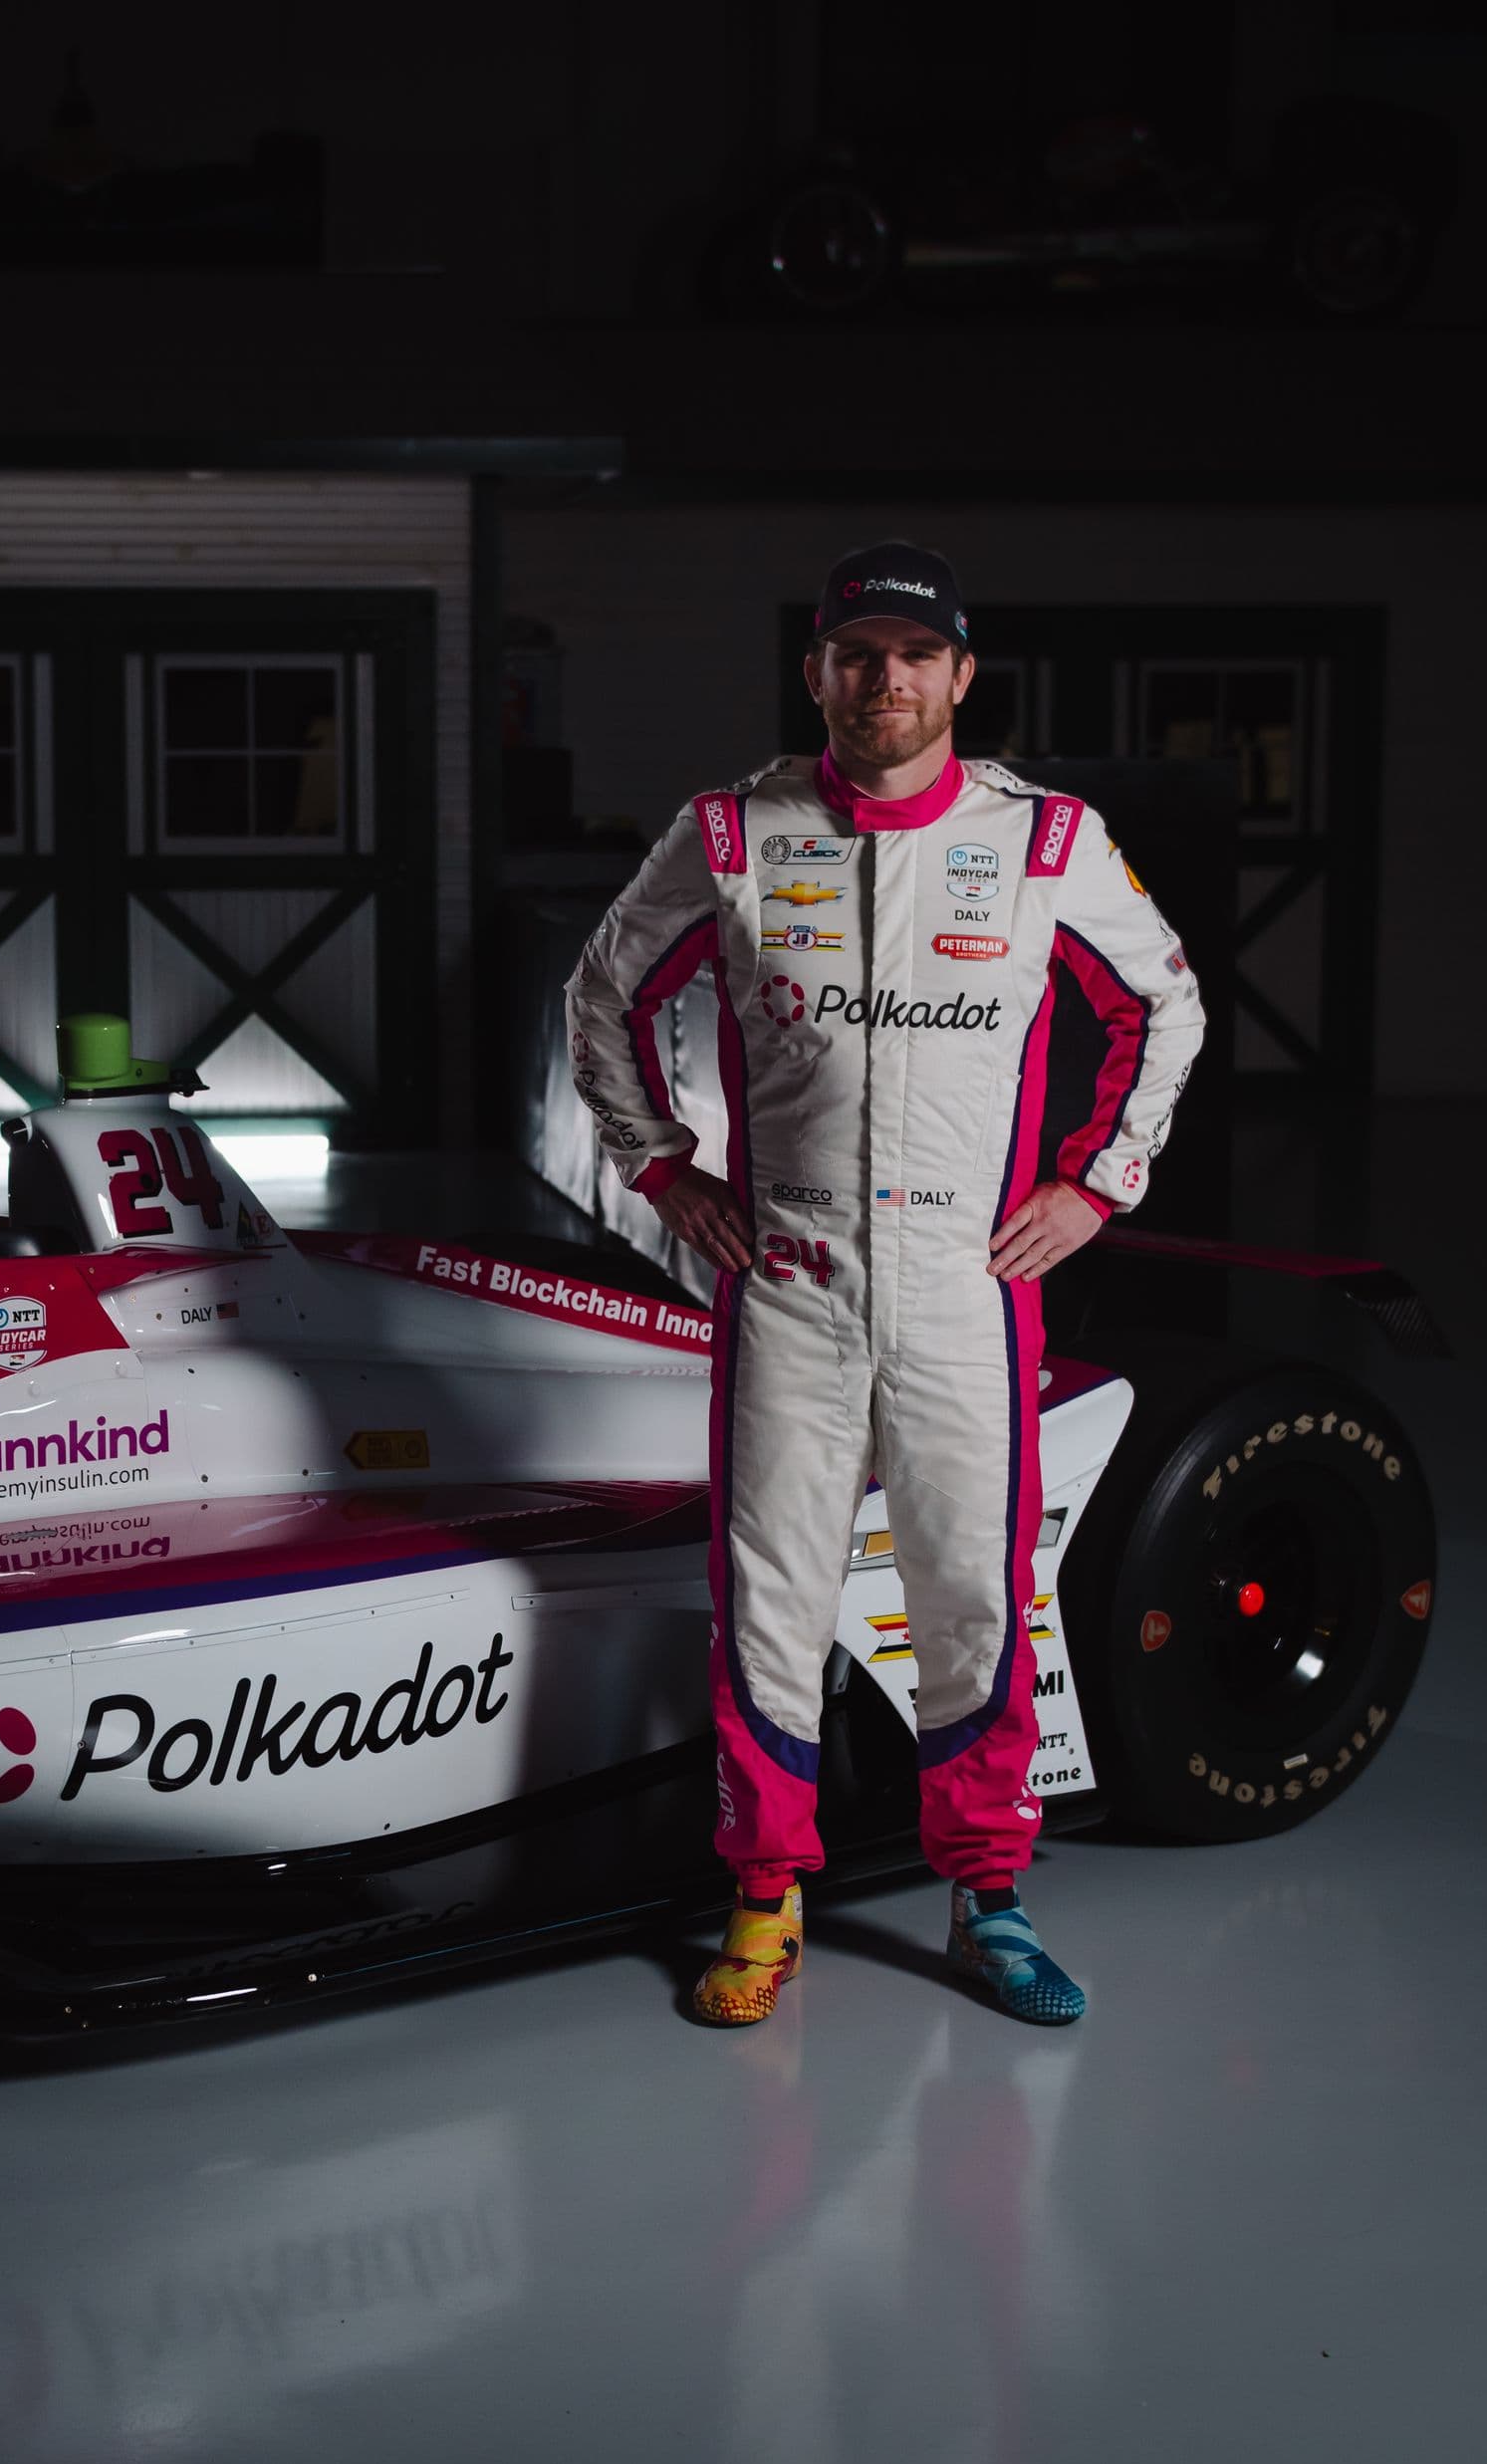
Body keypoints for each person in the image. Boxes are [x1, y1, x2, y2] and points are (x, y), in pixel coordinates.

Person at [564, 542, 1205, 2027]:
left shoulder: (1045, 841)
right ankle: (766, 1892)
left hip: (965, 1284)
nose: (887, 679)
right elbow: (606, 992)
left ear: (962, 677)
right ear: (819, 673)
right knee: (772, 1596)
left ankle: (991, 1893)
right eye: (859, 653)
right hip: (788, 1273)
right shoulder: (730, 830)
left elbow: (1162, 1007)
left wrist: (1095, 1182)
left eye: (916, 655)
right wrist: (664, 1171)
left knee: (973, 1592)